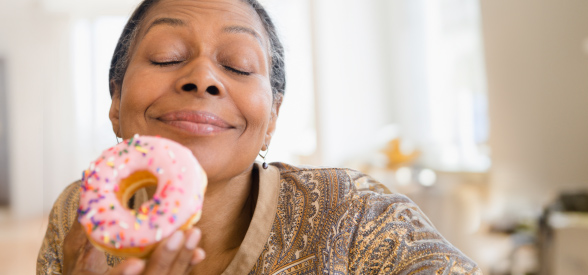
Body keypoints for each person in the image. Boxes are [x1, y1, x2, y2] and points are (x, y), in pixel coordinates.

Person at [37, 0, 481, 274]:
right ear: (116, 101)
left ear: (271, 118)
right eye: (166, 56)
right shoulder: (79, 215)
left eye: (238, 65)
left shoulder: (357, 216)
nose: (203, 78)